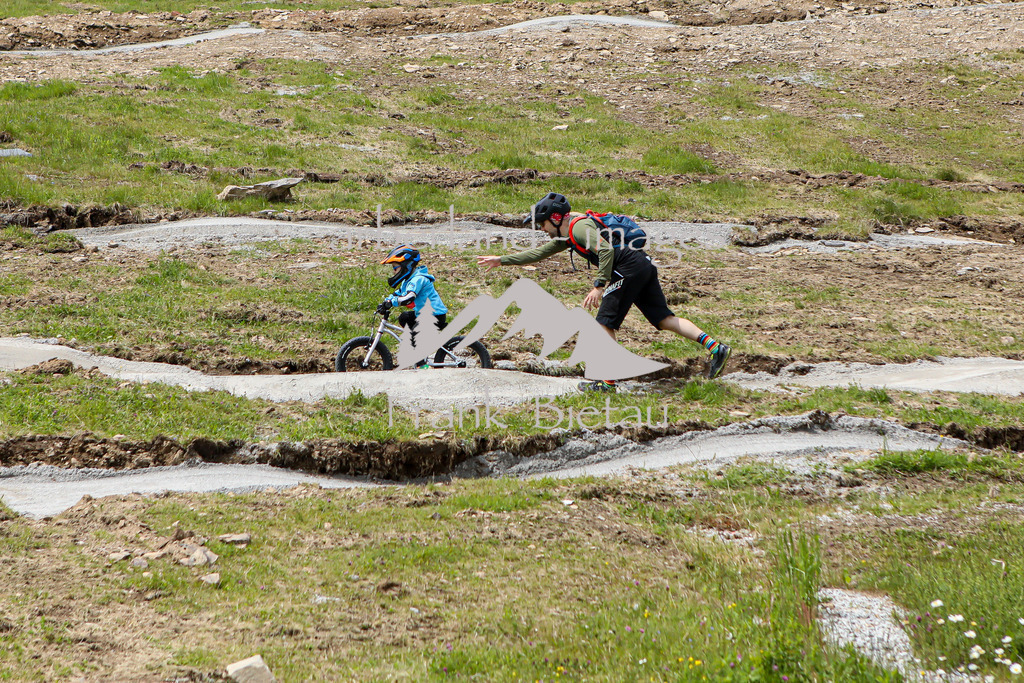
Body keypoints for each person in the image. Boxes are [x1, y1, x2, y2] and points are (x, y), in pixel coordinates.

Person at [476, 192, 731, 392]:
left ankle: (607, 383)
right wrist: (501, 260)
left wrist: (599, 286)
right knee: (664, 319)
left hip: (627, 268)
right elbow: (539, 253)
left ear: (555, 218)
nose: (542, 229)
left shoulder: (578, 228)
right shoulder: (569, 233)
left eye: (542, 224)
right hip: (642, 264)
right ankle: (716, 348)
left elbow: (606, 250)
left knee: (603, 324)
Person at [378, 245, 448, 350]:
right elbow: (398, 293)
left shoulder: (418, 279)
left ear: (406, 265)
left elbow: (408, 298)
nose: (394, 272)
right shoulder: (408, 280)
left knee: (415, 337)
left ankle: (420, 357)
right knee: (404, 318)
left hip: (435, 316)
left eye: (395, 268)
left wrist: (392, 303)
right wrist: (386, 301)